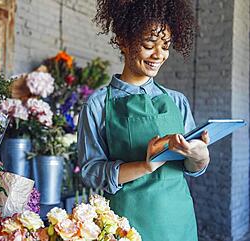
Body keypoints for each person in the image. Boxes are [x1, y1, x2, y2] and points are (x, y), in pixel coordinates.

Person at [77, 0, 210, 240]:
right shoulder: (97, 104)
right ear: (123, 40)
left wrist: (199, 156)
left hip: (179, 220)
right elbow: (90, 171)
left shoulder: (177, 101)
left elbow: (192, 169)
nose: (158, 55)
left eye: (166, 46)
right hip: (127, 224)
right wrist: (145, 166)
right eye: (149, 44)